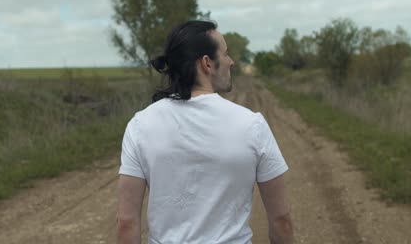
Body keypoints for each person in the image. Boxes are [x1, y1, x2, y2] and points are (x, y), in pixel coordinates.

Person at [116, 20, 293, 244]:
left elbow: (127, 223)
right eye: (226, 54)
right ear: (207, 64)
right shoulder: (251, 125)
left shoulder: (140, 125)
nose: (232, 62)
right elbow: (281, 219)